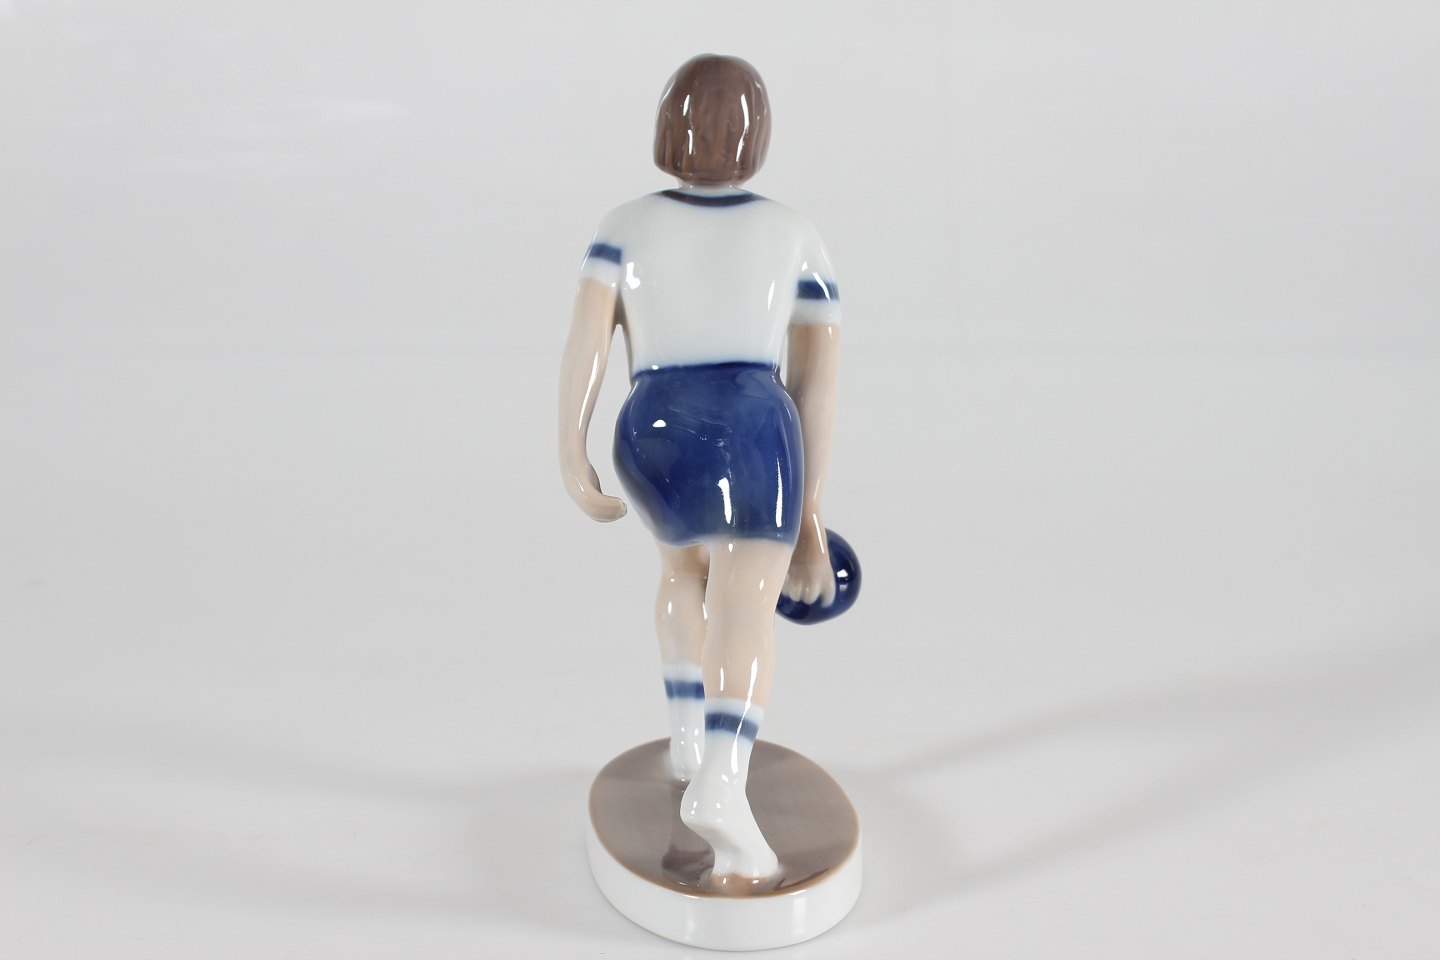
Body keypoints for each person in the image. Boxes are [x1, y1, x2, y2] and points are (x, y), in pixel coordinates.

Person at [558, 54, 842, 887]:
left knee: (682, 573)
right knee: (745, 603)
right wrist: (809, 517)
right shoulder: (795, 234)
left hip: (650, 428)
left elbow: (586, 344)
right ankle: (722, 779)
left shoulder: (623, 224)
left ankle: (688, 740)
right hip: (752, 424)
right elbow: (817, 385)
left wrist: (572, 454)